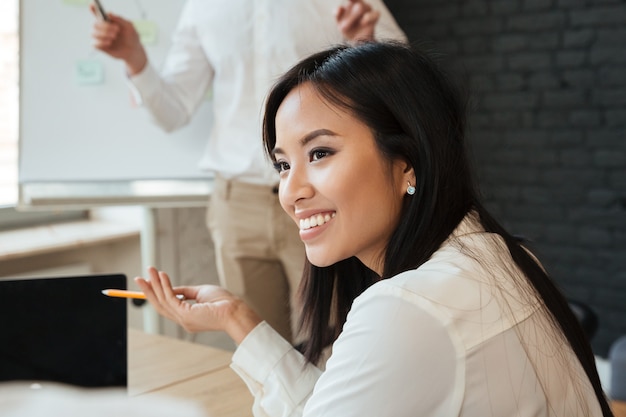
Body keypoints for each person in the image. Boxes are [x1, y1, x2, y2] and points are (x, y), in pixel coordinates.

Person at [135, 41, 613, 416]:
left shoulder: (407, 309)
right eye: (283, 164)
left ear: (407, 162)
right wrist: (236, 318)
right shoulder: (507, 256)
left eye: (320, 153)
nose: (291, 191)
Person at [90, 0, 406, 342]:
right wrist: (134, 58)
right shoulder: (203, 7)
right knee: (258, 344)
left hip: (322, 199)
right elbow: (173, 111)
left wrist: (365, 50)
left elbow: (406, 84)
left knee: (340, 343)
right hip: (238, 203)